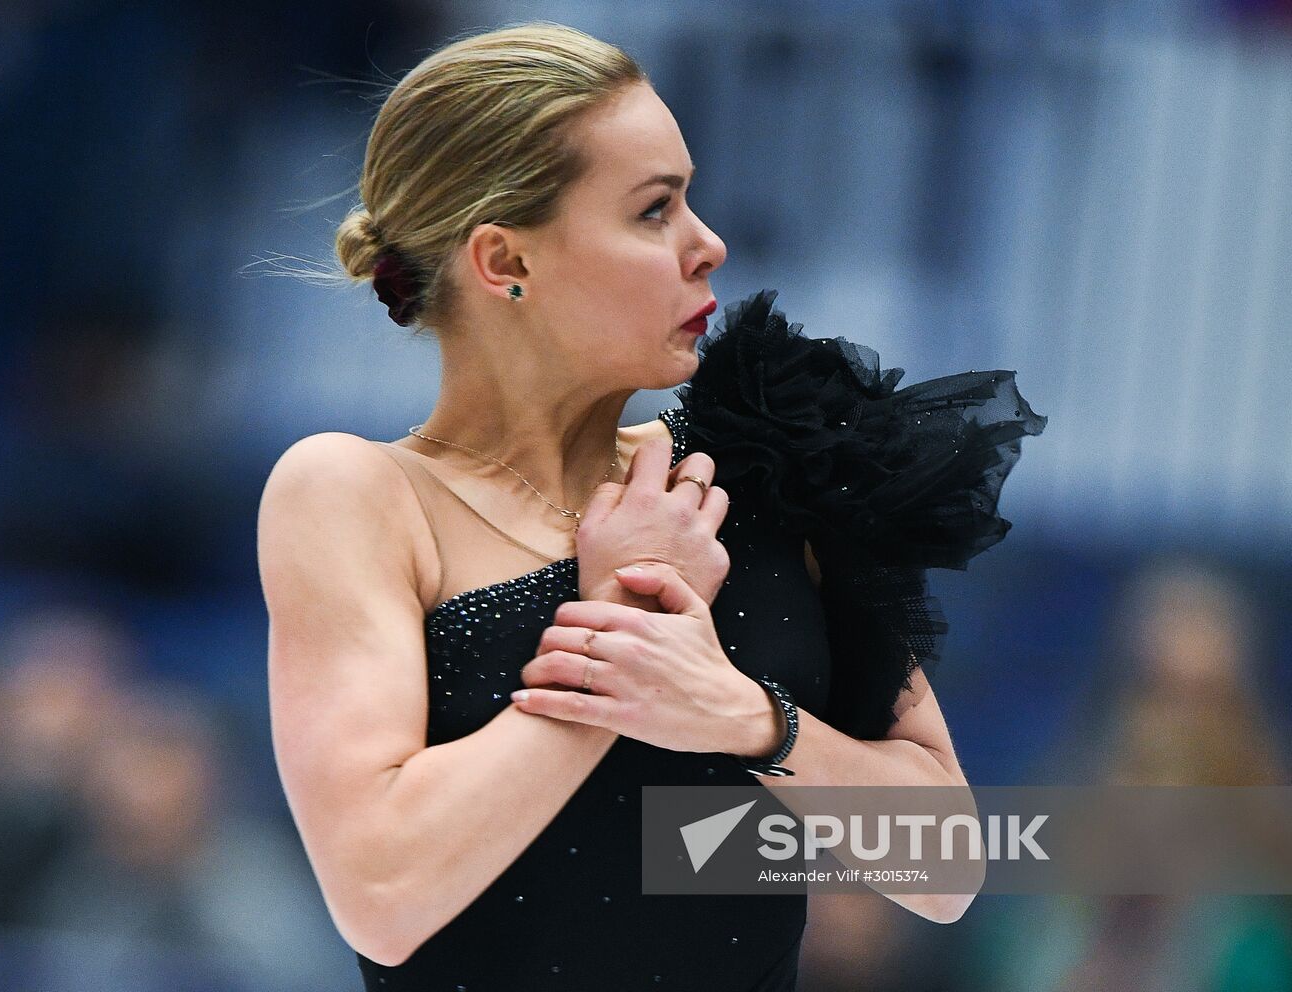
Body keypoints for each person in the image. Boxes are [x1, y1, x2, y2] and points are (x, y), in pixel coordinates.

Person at [257, 21, 1046, 992]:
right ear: (505, 261)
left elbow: (943, 864)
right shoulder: (359, 495)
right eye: (651, 211)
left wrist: (747, 716)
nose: (707, 243)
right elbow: (381, 891)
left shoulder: (763, 463)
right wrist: (626, 618)